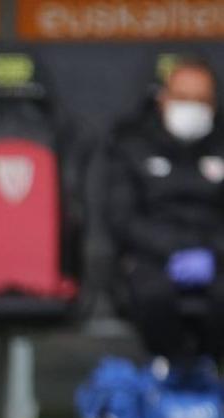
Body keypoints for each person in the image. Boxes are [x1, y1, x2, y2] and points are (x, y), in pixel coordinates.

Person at [105, 55, 224, 367]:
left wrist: (210, 252)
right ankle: (168, 377)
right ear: (163, 98)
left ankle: (210, 380)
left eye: (201, 100)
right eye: (183, 98)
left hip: (217, 260)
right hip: (152, 261)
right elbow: (122, 218)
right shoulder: (132, 143)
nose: (192, 108)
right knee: (154, 294)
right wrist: (175, 251)